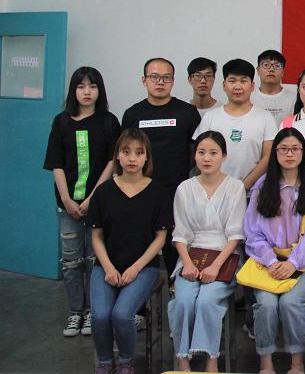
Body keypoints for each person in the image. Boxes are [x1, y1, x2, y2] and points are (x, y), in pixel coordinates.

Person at [44, 66, 121, 338]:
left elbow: (113, 162)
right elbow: (55, 163)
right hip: (67, 206)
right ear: (73, 91)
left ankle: (93, 312)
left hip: (98, 204)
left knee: (95, 259)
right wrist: (66, 199)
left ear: (100, 90)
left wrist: (92, 198)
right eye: (81, 86)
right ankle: (75, 311)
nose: (87, 92)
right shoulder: (61, 121)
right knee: (71, 260)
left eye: (92, 86)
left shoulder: (109, 121)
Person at [88, 128, 170, 374]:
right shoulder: (103, 192)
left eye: (139, 152)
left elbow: (161, 238)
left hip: (144, 267)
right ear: (117, 156)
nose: (132, 158)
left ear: (147, 157)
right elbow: (96, 236)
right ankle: (105, 362)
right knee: (100, 315)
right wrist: (108, 267)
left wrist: (135, 268)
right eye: (126, 152)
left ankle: (125, 361)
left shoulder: (158, 192)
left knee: (122, 314)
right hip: (106, 265)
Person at [244, 128, 305, 374]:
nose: (289, 154)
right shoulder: (262, 186)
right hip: (266, 262)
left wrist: (292, 262)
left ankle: (296, 363)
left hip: (304, 264)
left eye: (295, 149)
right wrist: (271, 261)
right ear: (275, 153)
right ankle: (266, 363)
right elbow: (252, 232)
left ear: (303, 152)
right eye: (283, 149)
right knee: (266, 305)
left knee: (291, 303)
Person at [168, 131, 246, 373]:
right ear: (195, 156)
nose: (207, 158)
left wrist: (215, 266)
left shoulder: (235, 187)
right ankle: (183, 361)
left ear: (224, 156)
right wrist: (187, 263)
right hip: (191, 256)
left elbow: (235, 234)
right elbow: (180, 233)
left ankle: (211, 359)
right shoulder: (185, 188)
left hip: (225, 256)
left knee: (206, 300)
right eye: (201, 152)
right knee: (183, 301)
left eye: (213, 153)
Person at [122, 57, 201, 274]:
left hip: (176, 191)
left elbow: (197, 152)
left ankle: (176, 285)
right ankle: (140, 289)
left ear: (173, 81)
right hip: (139, 190)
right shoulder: (132, 114)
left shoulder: (187, 112)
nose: (160, 82)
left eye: (166, 78)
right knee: (139, 243)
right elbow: (123, 153)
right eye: (154, 77)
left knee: (174, 244)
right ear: (144, 80)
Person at [195, 59, 278, 190]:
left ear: (252, 86)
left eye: (243, 81)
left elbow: (268, 157)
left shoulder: (266, 118)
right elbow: (200, 154)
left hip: (253, 192)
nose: (237, 87)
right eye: (232, 81)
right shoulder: (210, 117)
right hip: (214, 190)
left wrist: (243, 186)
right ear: (224, 85)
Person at [251, 49, 297, 126]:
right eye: (266, 65)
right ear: (258, 70)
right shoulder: (249, 99)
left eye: (277, 66)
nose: (271, 69)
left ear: (283, 72)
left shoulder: (295, 99)